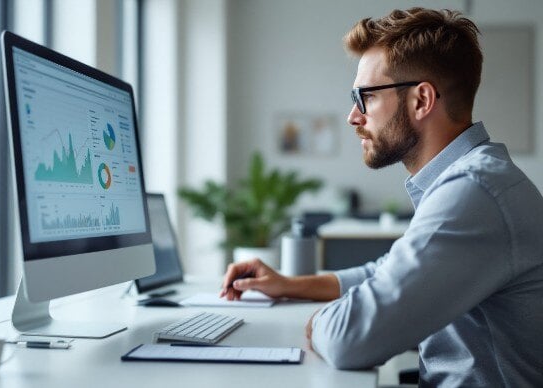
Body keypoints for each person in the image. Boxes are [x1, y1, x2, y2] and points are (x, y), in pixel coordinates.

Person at [220, 7, 543, 387]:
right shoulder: (471, 179)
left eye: (365, 97)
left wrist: (319, 321)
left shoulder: (474, 191)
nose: (353, 117)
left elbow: (347, 340)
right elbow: (385, 273)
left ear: (421, 101)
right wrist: (290, 284)